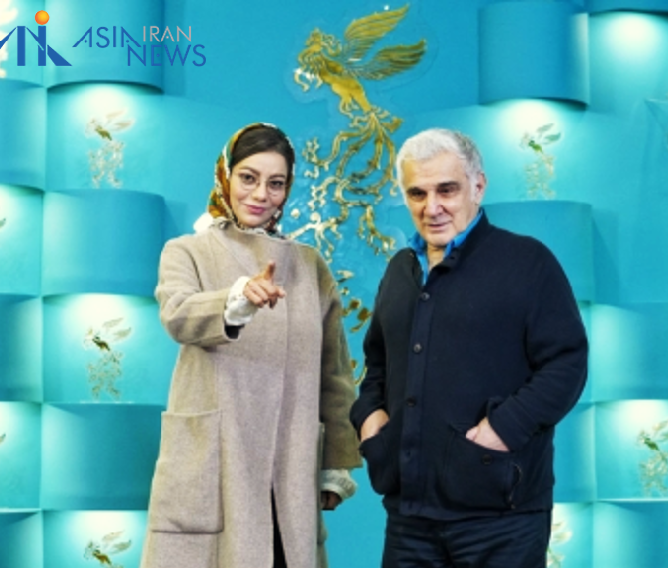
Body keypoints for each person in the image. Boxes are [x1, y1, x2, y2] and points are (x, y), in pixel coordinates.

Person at [350, 128, 588, 568]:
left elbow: (566, 363)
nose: (432, 207)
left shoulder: (528, 262)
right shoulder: (400, 269)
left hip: (501, 517)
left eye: (447, 190)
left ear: (478, 186)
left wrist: (503, 428)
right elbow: (377, 362)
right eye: (417, 193)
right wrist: (368, 417)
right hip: (409, 516)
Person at [141, 123, 361, 568]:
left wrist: (336, 462)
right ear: (225, 175)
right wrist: (236, 301)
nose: (261, 194)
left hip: (290, 474)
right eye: (248, 177)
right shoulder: (187, 251)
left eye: (275, 183)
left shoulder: (309, 266)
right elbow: (178, 313)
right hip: (216, 469)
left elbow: (334, 372)